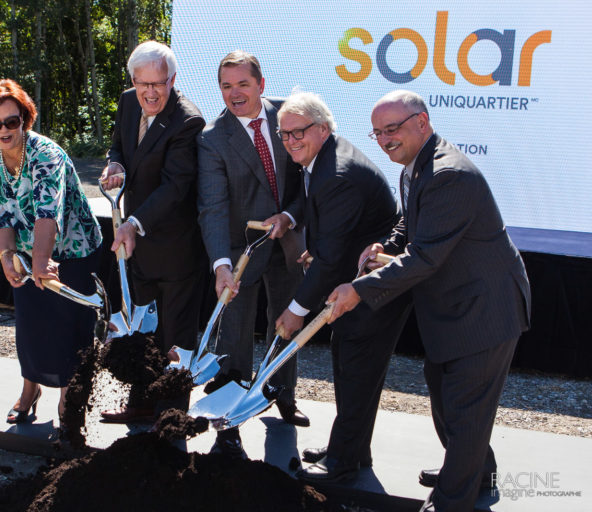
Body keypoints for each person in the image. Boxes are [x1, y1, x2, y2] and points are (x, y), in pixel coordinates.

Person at [325, 90, 531, 512]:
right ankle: (475, 468)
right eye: (378, 132)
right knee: (445, 393)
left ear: (422, 122)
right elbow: (411, 223)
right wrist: (388, 241)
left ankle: (452, 499)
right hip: (456, 306)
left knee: (465, 405)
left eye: (393, 129)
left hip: (485, 309)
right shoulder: (414, 166)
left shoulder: (447, 174)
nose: (385, 140)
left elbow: (426, 257)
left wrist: (358, 290)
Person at [270, 92, 411, 481]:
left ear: (323, 128)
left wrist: (296, 310)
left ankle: (343, 462)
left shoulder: (337, 173)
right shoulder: (321, 157)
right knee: (349, 365)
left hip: (374, 289)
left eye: (298, 132)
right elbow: (332, 233)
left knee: (358, 370)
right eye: (284, 134)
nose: (290, 140)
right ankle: (349, 448)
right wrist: (318, 250)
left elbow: (333, 257)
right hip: (354, 278)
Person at [0, 79, 102, 430]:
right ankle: (30, 391)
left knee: (72, 328)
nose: (3, 130)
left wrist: (42, 261)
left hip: (73, 247)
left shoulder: (47, 155)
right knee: (30, 325)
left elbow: (48, 210)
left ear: (24, 120)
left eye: (11, 121)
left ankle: (69, 400)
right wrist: (7, 257)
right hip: (27, 251)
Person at [197, 51, 309, 457]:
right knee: (235, 335)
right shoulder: (212, 138)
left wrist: (290, 216)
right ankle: (228, 425)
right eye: (226, 86)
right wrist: (222, 266)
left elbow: (307, 183)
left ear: (261, 84)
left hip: (290, 245)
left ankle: (282, 394)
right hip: (239, 253)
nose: (234, 94)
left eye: (242, 84)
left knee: (286, 323)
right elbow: (212, 206)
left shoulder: (291, 117)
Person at [99, 41, 208, 422]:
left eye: (158, 84)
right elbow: (118, 148)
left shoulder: (188, 121)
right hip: (138, 247)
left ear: (173, 80)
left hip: (177, 250)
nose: (149, 92)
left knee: (176, 337)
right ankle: (140, 405)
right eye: (142, 83)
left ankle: (170, 418)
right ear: (133, 80)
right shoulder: (130, 102)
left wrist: (132, 223)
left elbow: (175, 187)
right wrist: (114, 166)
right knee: (142, 330)